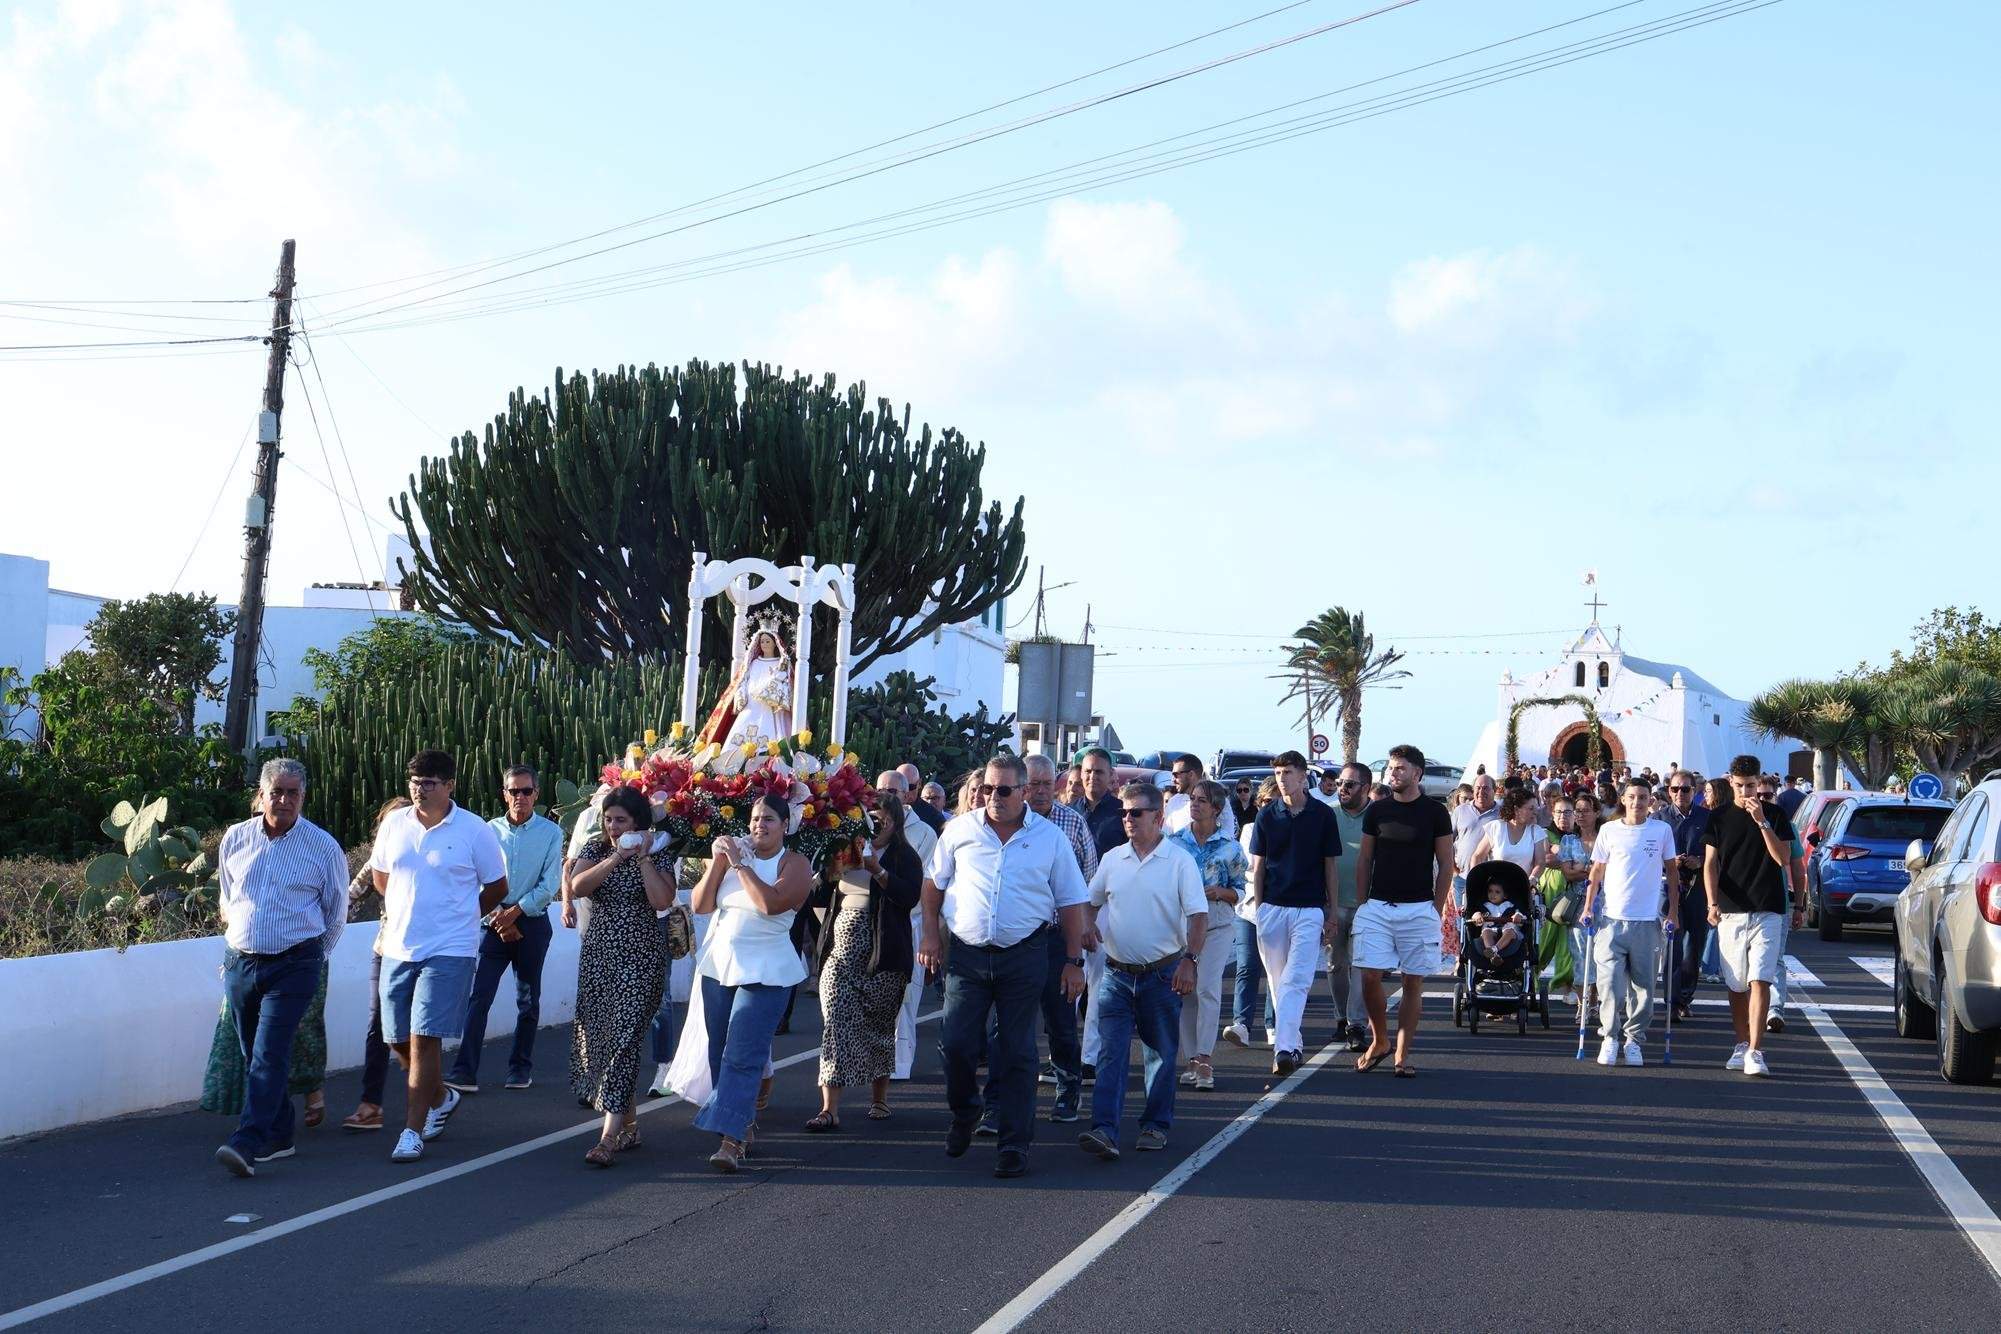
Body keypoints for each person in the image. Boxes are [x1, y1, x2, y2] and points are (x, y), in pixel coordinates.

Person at [919, 753, 1088, 1180]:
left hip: (1025, 954)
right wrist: (930, 936)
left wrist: (1072, 961)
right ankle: (966, 1111)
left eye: (1005, 790)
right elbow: (933, 884)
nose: (994, 797)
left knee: (1016, 1050)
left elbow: (1071, 902)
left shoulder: (1050, 838)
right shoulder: (959, 831)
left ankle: (1014, 1143)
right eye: (989, 788)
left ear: (1025, 791)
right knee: (956, 1044)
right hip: (968, 955)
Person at [369, 749, 511, 1165]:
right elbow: (382, 877)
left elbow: (497, 887)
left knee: (424, 1037)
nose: (419, 789)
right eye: (414, 781)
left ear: (449, 785)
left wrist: (461, 915)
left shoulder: (473, 830)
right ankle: (441, 1095)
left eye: (429, 782)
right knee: (395, 1039)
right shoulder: (394, 825)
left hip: (451, 948)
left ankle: (412, 1130)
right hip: (398, 946)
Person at [209, 759, 349, 1178]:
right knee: (255, 1053)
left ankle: (247, 1141)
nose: (284, 800)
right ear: (263, 793)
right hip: (241, 963)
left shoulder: (322, 846)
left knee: (269, 1054)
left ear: (303, 797)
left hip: (294, 964)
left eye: (293, 793)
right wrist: (237, 942)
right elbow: (228, 895)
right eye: (277, 792)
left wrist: (312, 958)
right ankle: (281, 1134)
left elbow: (336, 911)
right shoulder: (235, 838)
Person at [674, 794, 813, 1171]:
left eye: (768, 818)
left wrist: (740, 864)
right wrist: (719, 863)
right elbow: (702, 905)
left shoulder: (795, 864)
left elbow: (771, 904)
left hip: (768, 970)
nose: (758, 825)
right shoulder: (731, 859)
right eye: (754, 818)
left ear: (786, 825)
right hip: (720, 966)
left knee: (743, 1052)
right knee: (719, 1050)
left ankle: (731, 1141)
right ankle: (738, 1122)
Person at [1077, 783, 1207, 1160]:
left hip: (1162, 974)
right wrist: (1088, 925)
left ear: (1158, 817)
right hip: (1116, 975)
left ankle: (1155, 1124)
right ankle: (1104, 1129)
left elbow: (1198, 915)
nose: (1128, 820)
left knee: (1161, 1055)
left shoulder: (1179, 861)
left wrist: (1190, 960)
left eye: (1136, 813)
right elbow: (1090, 900)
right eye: (1124, 813)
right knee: (1110, 1054)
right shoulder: (1112, 859)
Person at [565, 786, 677, 1165]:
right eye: (609, 819)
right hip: (599, 957)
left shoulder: (659, 852)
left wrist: (643, 858)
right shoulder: (597, 850)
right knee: (601, 1039)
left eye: (622, 820)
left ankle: (608, 1136)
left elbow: (662, 901)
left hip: (641, 959)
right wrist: (617, 855)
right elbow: (579, 886)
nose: (613, 826)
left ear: (639, 822)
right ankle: (629, 1127)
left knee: (625, 1041)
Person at [446, 766, 563, 1094]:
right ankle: (464, 1071)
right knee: (479, 996)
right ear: (504, 794)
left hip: (531, 923)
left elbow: (549, 883)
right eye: (514, 791)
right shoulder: (487, 831)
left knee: (527, 999)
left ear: (536, 794)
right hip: (491, 922)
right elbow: (474, 876)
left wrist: (515, 912)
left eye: (527, 791)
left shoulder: (551, 834)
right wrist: (498, 914)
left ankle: (520, 1068)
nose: (520, 798)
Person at [809, 794, 923, 1129]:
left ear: (895, 823)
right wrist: (829, 871)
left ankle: (879, 1100)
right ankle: (829, 1108)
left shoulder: (906, 856)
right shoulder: (845, 849)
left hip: (883, 950)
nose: (876, 824)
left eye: (883, 819)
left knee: (879, 1025)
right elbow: (815, 897)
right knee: (836, 1023)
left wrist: (878, 871)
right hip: (841, 949)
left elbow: (908, 896)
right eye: (870, 817)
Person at [1352, 744, 1454, 1078]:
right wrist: (1362, 902)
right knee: (1369, 976)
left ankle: (1401, 1054)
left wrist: (1435, 909)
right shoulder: (1377, 812)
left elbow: (1446, 865)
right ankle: (1379, 1040)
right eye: (1390, 768)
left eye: (1399, 768)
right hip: (1377, 907)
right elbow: (1365, 859)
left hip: (1419, 909)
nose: (1392, 774)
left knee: (1412, 982)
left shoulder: (1435, 813)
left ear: (1417, 773)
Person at [1246, 750, 1341, 1076]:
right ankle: (1293, 1041)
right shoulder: (1266, 816)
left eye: (1287, 773)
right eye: (1277, 773)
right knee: (1277, 983)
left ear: (1303, 777)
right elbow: (1258, 868)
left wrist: (1331, 912)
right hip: (1272, 908)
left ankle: (1283, 1049)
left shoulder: (1323, 815)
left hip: (1309, 909)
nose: (1282, 779)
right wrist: (1260, 910)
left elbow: (1331, 866)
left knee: (1296, 980)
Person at [1705, 755, 1799, 1077]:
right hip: (1731, 911)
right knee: (1735, 985)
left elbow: (1783, 858)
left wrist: (1762, 822)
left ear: (1759, 783)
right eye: (1740, 785)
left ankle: (1756, 1050)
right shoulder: (1717, 818)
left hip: (1769, 909)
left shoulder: (1775, 814)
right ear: (1731, 782)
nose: (1746, 792)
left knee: (1760, 979)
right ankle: (1742, 1043)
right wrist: (1711, 903)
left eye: (1751, 786)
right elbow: (1710, 864)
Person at [1580, 779, 1677, 1066]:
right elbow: (1596, 871)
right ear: (1623, 799)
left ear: (1651, 801)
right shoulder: (1609, 831)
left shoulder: (1661, 830)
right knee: (1609, 984)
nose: (1637, 802)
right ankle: (1610, 1037)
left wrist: (1673, 913)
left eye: (1643, 797)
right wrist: (1588, 908)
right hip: (1611, 921)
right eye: (1632, 797)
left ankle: (1633, 1040)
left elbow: (1672, 873)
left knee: (1644, 988)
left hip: (1647, 922)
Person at [1018, 754, 1094, 1121]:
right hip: (1017, 938)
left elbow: (1088, 885)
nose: (1041, 791)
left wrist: (1078, 946)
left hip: (1056, 938)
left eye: (1048, 784)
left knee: (1061, 1019)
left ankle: (1067, 1089)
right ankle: (1002, 1100)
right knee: (1010, 1022)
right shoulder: (1010, 824)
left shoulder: (1073, 824)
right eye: (1034, 784)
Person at [1169, 779, 1246, 1089]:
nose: (1195, 804)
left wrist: (1220, 891)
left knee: (1207, 988)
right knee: (1184, 989)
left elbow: (1240, 890)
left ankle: (1205, 1060)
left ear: (1216, 808)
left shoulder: (1231, 847)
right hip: (1183, 922)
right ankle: (1189, 1059)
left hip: (1217, 923)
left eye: (1202, 800)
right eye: (1193, 799)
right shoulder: (1174, 843)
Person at [340, 797, 411, 1132]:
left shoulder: (429, 855)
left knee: (419, 1031)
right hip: (386, 949)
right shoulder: (376, 863)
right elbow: (350, 897)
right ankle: (371, 1105)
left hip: (428, 952)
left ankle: (431, 1098)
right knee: (379, 1026)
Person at [874, 771, 939, 1086]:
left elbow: (923, 884)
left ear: (908, 795)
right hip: (870, 923)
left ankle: (899, 1064)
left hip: (907, 921)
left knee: (906, 997)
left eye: (894, 790)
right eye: (882, 789)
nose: (888, 795)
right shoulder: (864, 824)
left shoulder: (924, 833)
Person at [1222, 776, 1277, 1049]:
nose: (1270, 806)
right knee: (1247, 966)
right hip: (1249, 908)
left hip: (1279, 908)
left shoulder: (1291, 829)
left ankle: (1273, 1024)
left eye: (1275, 801)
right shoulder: (1248, 830)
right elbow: (1246, 867)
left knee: (1275, 969)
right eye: (1266, 801)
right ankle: (1241, 1024)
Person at [1325, 762, 1372, 1051]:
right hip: (1333, 903)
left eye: (1350, 784)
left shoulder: (1377, 815)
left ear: (1365, 788)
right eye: (1340, 783)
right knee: (1335, 964)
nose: (1342, 788)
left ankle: (1356, 1024)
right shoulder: (1327, 815)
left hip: (1366, 905)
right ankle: (1341, 1018)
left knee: (1359, 965)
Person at [698, 623, 793, 747]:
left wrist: (771, 686)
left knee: (770, 733)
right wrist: (742, 694)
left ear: (775, 643)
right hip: (751, 704)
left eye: (767, 641)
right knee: (742, 729)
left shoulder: (780, 663)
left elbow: (785, 682)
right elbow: (745, 680)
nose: (764, 644)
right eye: (762, 642)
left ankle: (769, 755)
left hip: (770, 704)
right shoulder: (754, 663)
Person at [1664, 773, 1710, 1020]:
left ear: (1695, 791)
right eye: (1675, 789)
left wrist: (1700, 861)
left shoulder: (1706, 818)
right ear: (1669, 791)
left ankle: (1685, 996)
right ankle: (1670, 1001)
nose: (1680, 794)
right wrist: (1671, 862)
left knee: (1694, 947)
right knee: (1673, 943)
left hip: (1698, 889)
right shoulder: (1659, 819)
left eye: (1685, 790)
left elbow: (1718, 854)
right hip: (1668, 890)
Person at [1470, 789, 1548, 880]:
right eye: (1531, 808)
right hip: (1495, 889)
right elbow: (1478, 856)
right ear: (1516, 809)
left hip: (1523, 887)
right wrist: (1474, 881)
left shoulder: (1536, 831)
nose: (1536, 812)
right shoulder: (1496, 827)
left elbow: (1540, 862)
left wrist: (1533, 879)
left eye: (1536, 808)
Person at [1163, 754, 1236, 838]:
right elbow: (1167, 838)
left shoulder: (1217, 799)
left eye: (1176, 775)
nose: (1173, 780)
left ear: (1191, 774)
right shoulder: (1173, 802)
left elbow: (1228, 838)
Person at [1469, 880, 1529, 963]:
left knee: (1509, 932)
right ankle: (1493, 955)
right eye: (1490, 891)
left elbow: (1520, 913)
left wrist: (1518, 915)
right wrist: (1477, 915)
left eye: (1497, 892)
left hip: (1508, 928)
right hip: (1491, 928)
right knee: (1486, 932)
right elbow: (1475, 914)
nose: (1493, 894)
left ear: (1505, 895)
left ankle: (1494, 949)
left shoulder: (1511, 905)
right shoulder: (1484, 905)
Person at [899, 762, 949, 836]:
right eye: (901, 787)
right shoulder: (883, 811)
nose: (906, 792)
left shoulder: (934, 818)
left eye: (910, 787)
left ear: (919, 783)